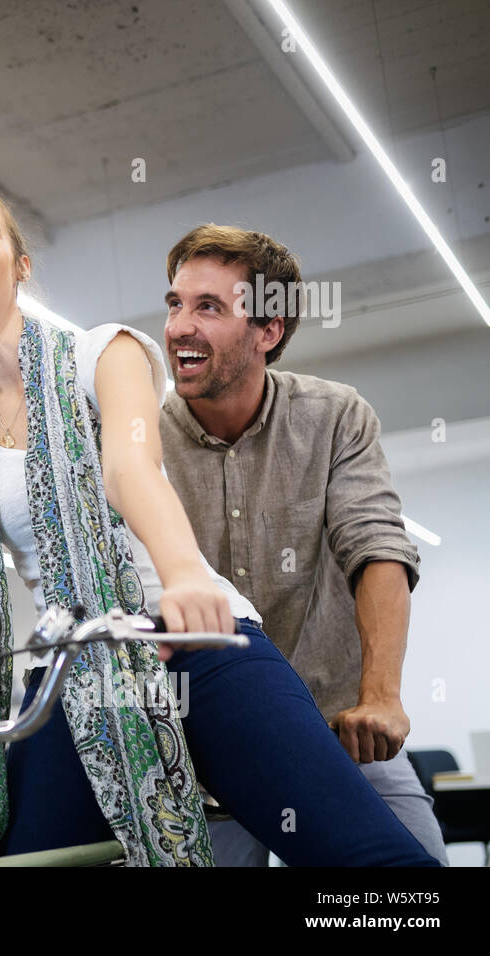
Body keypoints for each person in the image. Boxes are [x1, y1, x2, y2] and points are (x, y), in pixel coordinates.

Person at [0, 180, 437, 866]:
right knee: (26, 859)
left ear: (20, 264)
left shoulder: (101, 355)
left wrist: (185, 573)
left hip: (192, 642)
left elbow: (132, 469)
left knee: (370, 863)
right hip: (72, 673)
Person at [156, 224, 448, 865]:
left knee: (411, 892)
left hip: (335, 733)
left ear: (270, 330)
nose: (178, 326)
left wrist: (381, 698)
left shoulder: (335, 416)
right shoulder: (139, 442)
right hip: (199, 755)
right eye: (175, 303)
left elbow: (376, 549)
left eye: (209, 307)